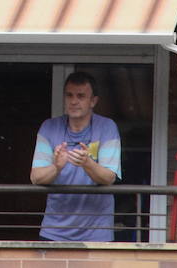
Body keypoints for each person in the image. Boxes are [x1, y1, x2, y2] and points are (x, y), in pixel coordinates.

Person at [30, 70, 122, 242]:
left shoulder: (107, 127)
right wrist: (56, 167)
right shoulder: (49, 127)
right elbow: (36, 177)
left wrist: (87, 163)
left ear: (93, 101)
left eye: (81, 96)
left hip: (97, 232)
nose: (73, 101)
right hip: (54, 231)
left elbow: (109, 177)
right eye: (69, 95)